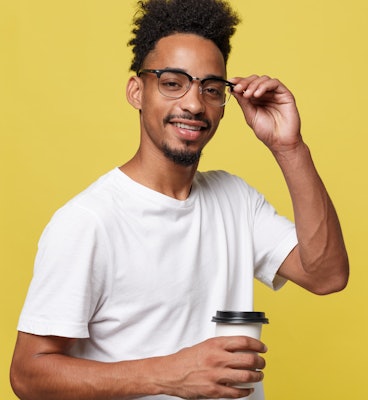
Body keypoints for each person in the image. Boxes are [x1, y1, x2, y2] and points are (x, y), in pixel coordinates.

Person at [10, 0, 349, 399]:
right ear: (137, 91)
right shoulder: (89, 221)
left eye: (210, 89)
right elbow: (28, 375)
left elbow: (327, 275)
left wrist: (289, 148)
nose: (193, 104)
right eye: (173, 82)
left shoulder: (235, 199)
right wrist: (170, 373)